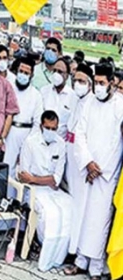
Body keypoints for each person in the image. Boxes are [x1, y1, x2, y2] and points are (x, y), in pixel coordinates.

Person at [66, 64, 123, 280]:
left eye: (102, 83)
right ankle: (80, 261)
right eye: (96, 82)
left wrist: (100, 168)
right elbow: (79, 133)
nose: (98, 87)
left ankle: (96, 269)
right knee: (82, 214)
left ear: (112, 82)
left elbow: (117, 143)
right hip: (87, 169)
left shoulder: (120, 104)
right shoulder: (88, 102)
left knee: (99, 219)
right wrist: (87, 162)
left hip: (105, 173)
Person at [17, 111, 72, 271]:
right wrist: (37, 180)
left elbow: (56, 178)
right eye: (47, 128)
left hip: (52, 189)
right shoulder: (30, 142)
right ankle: (46, 256)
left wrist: (35, 178)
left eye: (54, 128)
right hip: (34, 190)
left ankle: (58, 257)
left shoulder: (61, 144)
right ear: (41, 126)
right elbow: (23, 176)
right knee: (51, 213)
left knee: (69, 208)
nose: (50, 131)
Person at [3, 57, 43, 178]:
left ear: (31, 75)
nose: (23, 75)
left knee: (22, 171)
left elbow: (37, 122)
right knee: (6, 167)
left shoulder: (36, 95)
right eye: (21, 71)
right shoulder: (8, 88)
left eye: (26, 73)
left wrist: (28, 143)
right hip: (8, 132)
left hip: (26, 135)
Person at [66, 63, 94, 197]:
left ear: (89, 84)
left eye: (81, 81)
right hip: (69, 151)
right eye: (75, 81)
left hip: (82, 158)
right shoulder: (74, 98)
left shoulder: (93, 104)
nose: (77, 84)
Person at [41, 58, 78, 139]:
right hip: (42, 140)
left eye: (60, 72)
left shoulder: (73, 97)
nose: (56, 74)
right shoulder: (44, 91)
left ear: (67, 76)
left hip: (61, 144)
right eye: (54, 71)